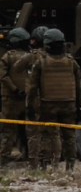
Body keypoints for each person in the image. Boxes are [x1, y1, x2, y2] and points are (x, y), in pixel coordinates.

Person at [27, 29, 81, 171]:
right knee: (69, 136)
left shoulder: (41, 63)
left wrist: (29, 106)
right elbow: (78, 88)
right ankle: (70, 166)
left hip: (48, 104)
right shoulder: (71, 62)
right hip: (69, 104)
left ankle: (45, 164)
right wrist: (79, 107)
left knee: (47, 135)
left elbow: (33, 87)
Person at [13, 26, 56, 169]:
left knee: (33, 132)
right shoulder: (57, 56)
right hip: (51, 98)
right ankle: (50, 162)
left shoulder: (32, 56)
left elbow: (17, 67)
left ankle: (34, 164)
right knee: (51, 131)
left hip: (34, 98)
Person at [0, 28, 30, 165]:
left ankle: (4, 158)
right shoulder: (30, 57)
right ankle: (29, 155)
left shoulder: (8, 57)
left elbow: (3, 76)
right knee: (27, 129)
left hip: (10, 99)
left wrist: (14, 90)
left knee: (8, 130)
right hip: (27, 99)